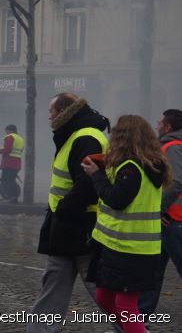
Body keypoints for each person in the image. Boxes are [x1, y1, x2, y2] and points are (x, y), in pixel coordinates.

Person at [27, 93, 109, 333]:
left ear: (63, 111)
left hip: (80, 225)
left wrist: (63, 211)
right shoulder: (78, 134)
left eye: (51, 110)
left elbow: (86, 184)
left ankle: (132, 327)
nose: (49, 115)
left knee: (101, 290)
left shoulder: (84, 137)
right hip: (67, 224)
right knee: (54, 285)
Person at [80, 115, 169, 333]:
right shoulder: (147, 164)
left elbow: (116, 200)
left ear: (123, 137)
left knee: (125, 305)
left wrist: (96, 175)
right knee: (104, 296)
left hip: (132, 250)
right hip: (120, 246)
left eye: (116, 133)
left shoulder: (132, 168)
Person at [140, 108, 182, 314]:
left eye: (159, 123)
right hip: (169, 220)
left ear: (168, 127)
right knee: (152, 270)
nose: (156, 126)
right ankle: (141, 314)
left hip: (173, 219)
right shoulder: (172, 145)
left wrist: (159, 209)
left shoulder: (172, 147)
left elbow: (176, 182)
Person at [0, 123, 23, 201]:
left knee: (6, 181)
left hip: (9, 163)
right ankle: (12, 197)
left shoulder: (10, 137)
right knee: (11, 181)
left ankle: (10, 197)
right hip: (17, 163)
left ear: (10, 130)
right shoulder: (20, 138)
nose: (6, 132)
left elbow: (7, 149)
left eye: (6, 131)